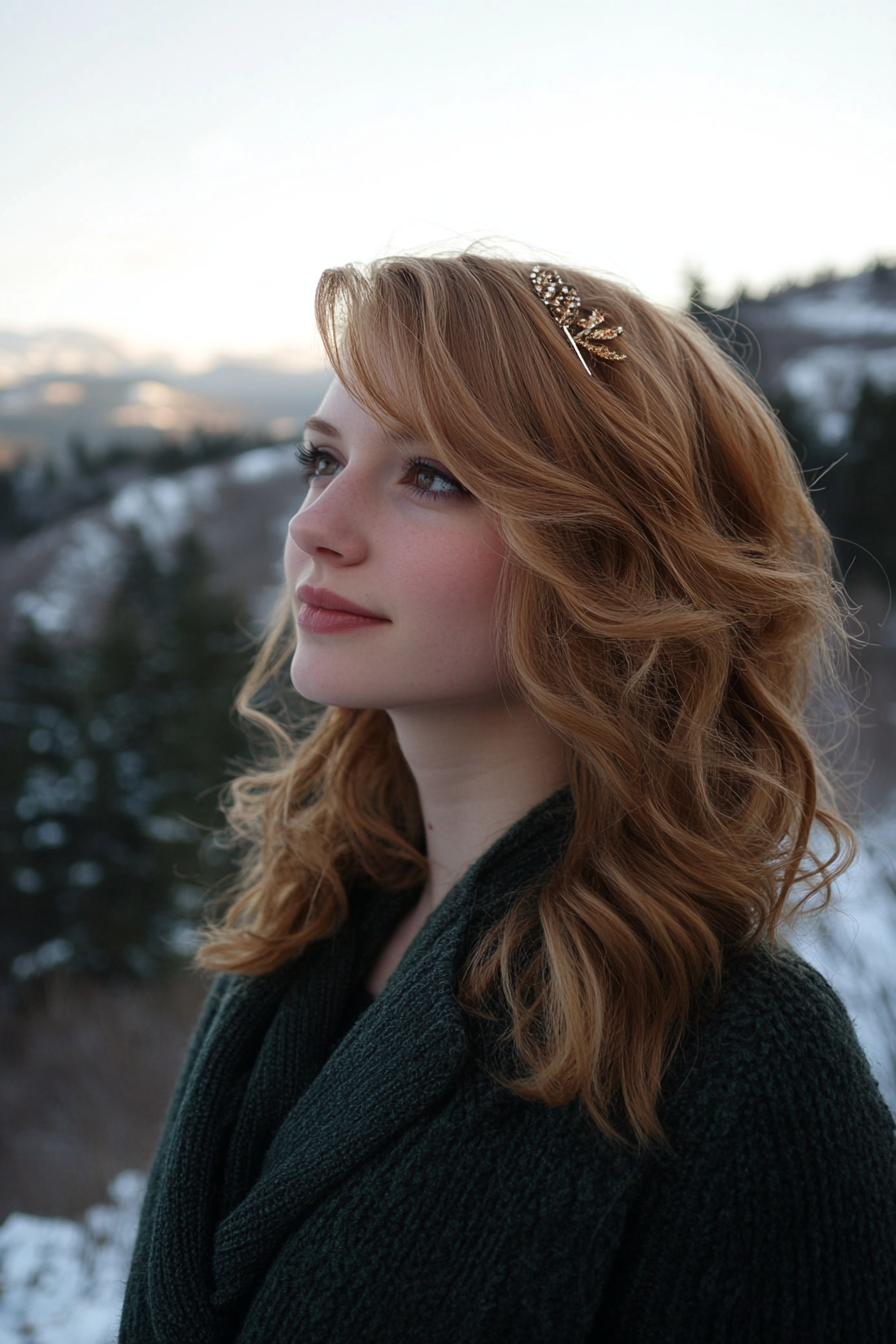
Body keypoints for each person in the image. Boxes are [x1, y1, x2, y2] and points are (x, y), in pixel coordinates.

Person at [120, 253, 896, 1343]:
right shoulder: (308, 932)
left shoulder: (738, 1069)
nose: (314, 528)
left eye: (432, 476)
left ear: (612, 559)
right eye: (319, 459)